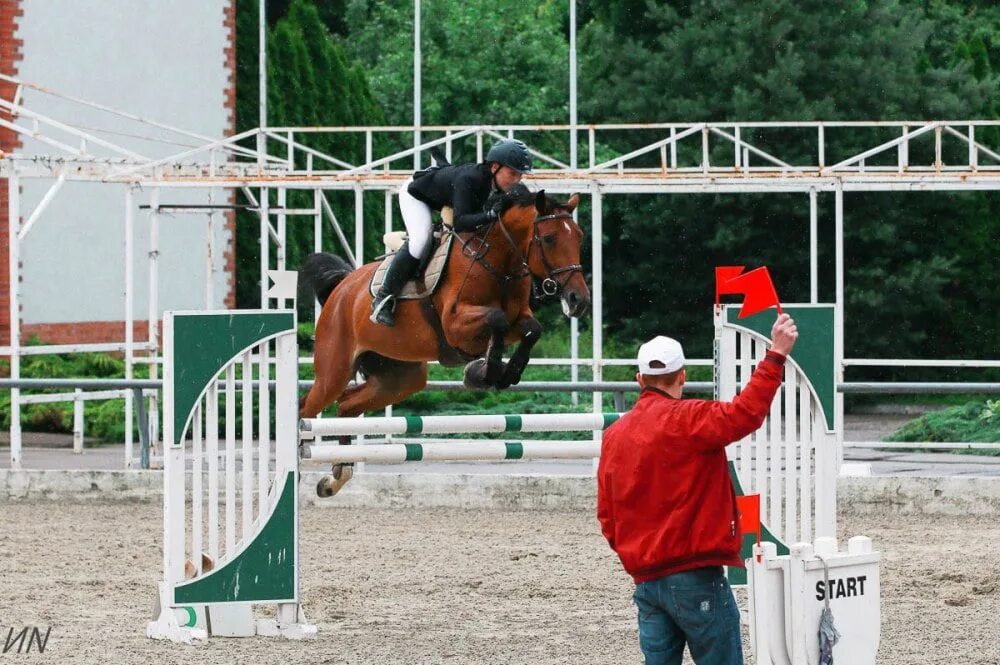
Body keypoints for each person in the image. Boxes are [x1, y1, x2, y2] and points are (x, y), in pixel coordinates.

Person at [597, 313, 799, 665]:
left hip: (647, 580)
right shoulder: (690, 418)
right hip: (695, 575)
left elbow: (606, 515)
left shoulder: (615, 435)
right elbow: (746, 413)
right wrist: (775, 355)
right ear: (683, 377)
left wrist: (636, 556)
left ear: (639, 379)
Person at [369, 138, 534, 326]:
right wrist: (489, 216)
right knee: (421, 239)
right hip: (416, 194)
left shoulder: (497, 185)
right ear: (495, 167)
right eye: (513, 173)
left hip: (446, 195)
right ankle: (384, 298)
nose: (517, 180)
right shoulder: (471, 180)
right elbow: (461, 223)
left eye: (520, 176)